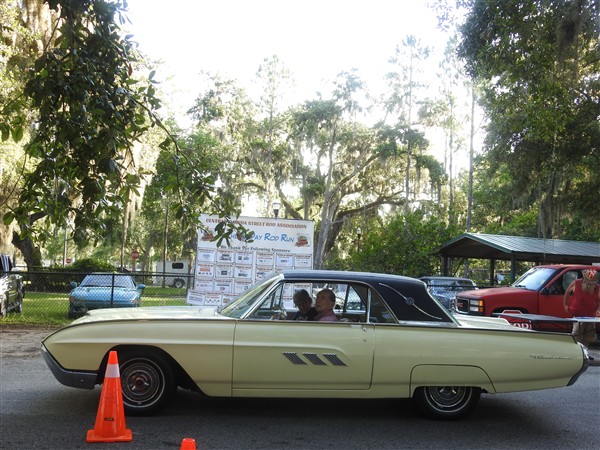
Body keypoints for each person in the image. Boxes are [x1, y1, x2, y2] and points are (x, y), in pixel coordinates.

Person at [563, 269, 600, 347]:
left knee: (589, 336)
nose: (590, 283)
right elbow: (567, 292)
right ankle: (575, 350)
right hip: (578, 314)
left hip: (590, 315)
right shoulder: (576, 283)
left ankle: (585, 349)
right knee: (576, 334)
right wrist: (565, 305)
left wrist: (598, 309)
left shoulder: (596, 287)